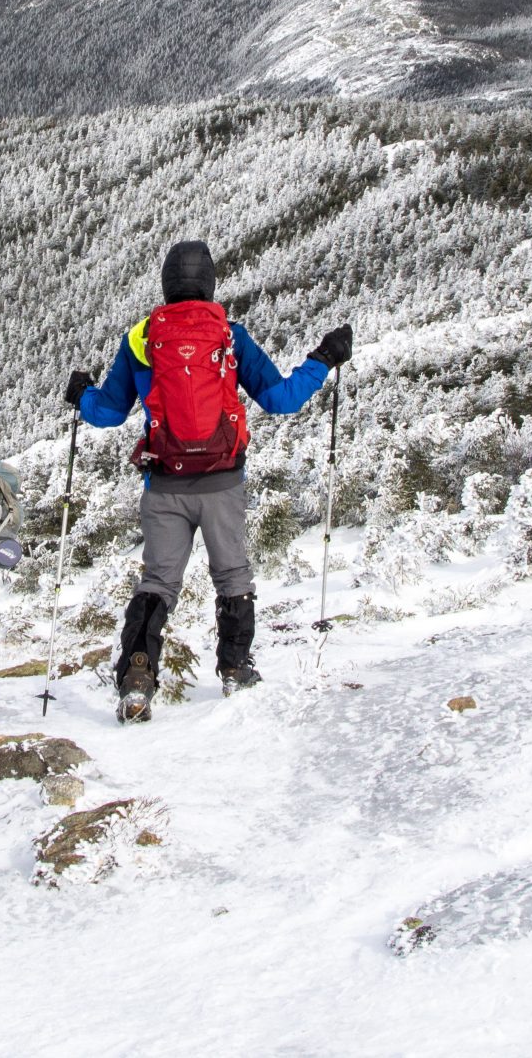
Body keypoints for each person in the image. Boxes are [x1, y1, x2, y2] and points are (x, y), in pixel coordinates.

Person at [67, 240, 350, 721]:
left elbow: (110, 413)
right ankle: (236, 669)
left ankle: (137, 678)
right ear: (211, 283)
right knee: (233, 576)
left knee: (158, 581)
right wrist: (322, 359)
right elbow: (280, 399)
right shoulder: (230, 337)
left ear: (166, 284)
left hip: (165, 485)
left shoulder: (140, 341)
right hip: (222, 482)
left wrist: (82, 396)